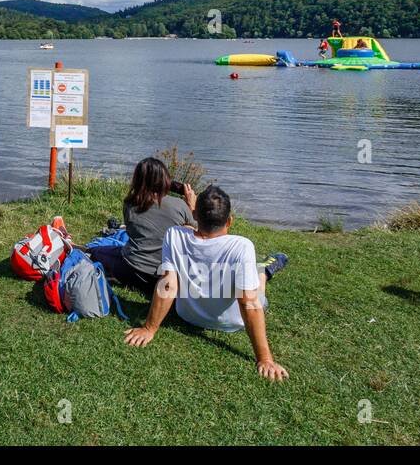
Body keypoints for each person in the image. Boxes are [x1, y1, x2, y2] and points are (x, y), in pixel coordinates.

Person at [123, 184, 291, 382]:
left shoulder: (174, 235)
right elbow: (250, 302)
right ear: (229, 221)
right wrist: (264, 359)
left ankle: (260, 269)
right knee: (257, 287)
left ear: (194, 214)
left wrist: (149, 329)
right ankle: (264, 270)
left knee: (249, 279)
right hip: (233, 323)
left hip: (188, 316)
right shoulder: (242, 246)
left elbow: (168, 285)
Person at [87, 157, 195, 298]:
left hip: (130, 268)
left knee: (95, 251)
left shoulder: (130, 203)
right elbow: (199, 234)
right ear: (165, 180)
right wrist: (191, 207)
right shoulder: (180, 205)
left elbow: (132, 231)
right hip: (163, 276)